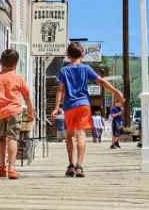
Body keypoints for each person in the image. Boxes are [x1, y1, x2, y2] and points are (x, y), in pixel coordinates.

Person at [52, 41, 125, 177]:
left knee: (69, 135)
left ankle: (71, 166)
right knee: (81, 134)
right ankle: (80, 166)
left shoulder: (64, 70)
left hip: (69, 105)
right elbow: (102, 81)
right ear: (83, 55)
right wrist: (117, 92)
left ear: (68, 56)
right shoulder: (86, 69)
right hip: (84, 105)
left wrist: (57, 108)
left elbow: (60, 90)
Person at [0, 48, 34, 180]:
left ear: (0, 62)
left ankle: (2, 166)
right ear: (16, 64)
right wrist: (30, 112)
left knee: (0, 138)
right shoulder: (18, 78)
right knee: (12, 138)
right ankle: (11, 168)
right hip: (14, 111)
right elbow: (27, 96)